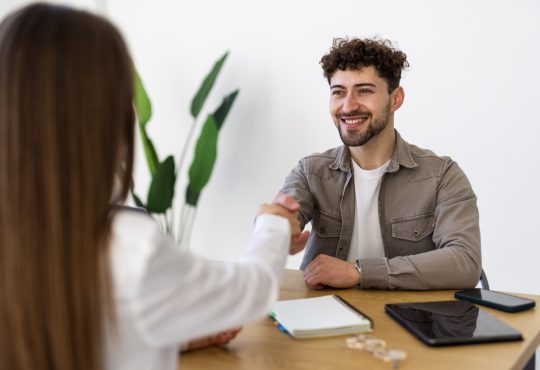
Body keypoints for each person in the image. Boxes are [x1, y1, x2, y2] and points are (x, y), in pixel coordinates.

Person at [0, 4, 303, 370]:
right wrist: (272, 223)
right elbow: (252, 290)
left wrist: (163, 331)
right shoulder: (129, 249)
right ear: (105, 119)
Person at [281, 37, 481, 290]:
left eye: (364, 90)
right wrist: (276, 229)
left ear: (395, 99)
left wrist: (360, 272)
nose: (348, 105)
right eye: (338, 92)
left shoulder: (442, 175)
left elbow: (465, 262)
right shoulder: (311, 171)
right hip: (320, 319)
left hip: (410, 322)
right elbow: (285, 215)